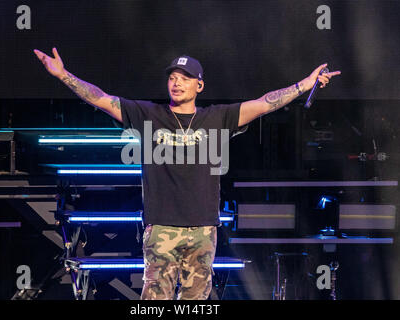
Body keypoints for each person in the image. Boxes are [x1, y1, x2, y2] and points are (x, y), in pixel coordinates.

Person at [34, 48, 341, 300]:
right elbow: (100, 98)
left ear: (199, 85)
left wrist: (304, 85)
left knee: (196, 303)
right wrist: (63, 75)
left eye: (185, 78)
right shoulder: (148, 115)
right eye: (172, 77)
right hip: (161, 228)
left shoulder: (216, 118)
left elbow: (264, 104)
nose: (176, 83)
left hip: (203, 229)